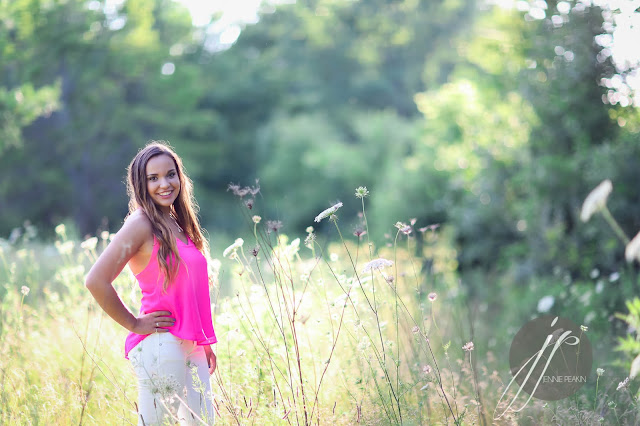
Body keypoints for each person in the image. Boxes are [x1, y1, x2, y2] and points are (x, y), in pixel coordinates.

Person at [85, 141, 217, 425]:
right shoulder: (141, 223)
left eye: (170, 174)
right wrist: (134, 323)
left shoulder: (177, 223)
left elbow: (187, 290)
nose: (164, 184)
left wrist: (202, 340)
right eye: (153, 178)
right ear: (141, 185)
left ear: (180, 177)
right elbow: (96, 280)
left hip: (190, 343)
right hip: (162, 344)